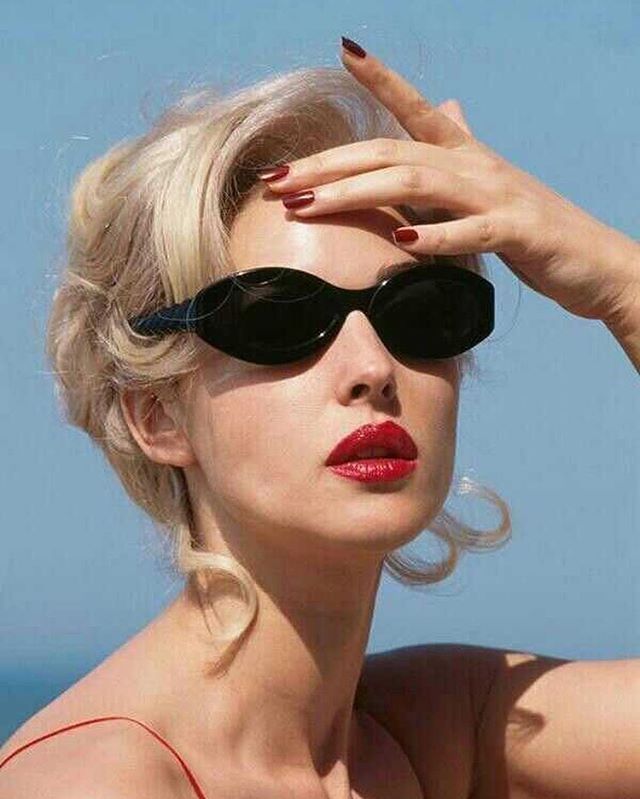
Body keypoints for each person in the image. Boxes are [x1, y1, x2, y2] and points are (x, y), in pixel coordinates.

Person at [1, 36, 639, 799]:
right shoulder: (96, 784)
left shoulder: (432, 733)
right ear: (156, 414)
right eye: (279, 321)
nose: (373, 369)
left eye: (419, 313)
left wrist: (620, 283)